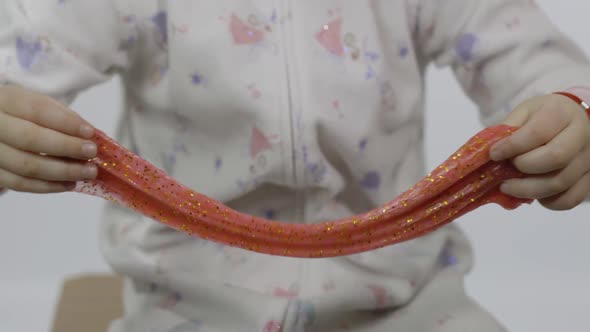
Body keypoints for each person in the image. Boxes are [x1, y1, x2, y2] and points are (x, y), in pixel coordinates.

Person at [1, 1, 589, 331]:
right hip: (187, 305)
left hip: (405, 302)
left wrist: (571, 111)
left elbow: (535, 62)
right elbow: (15, 60)